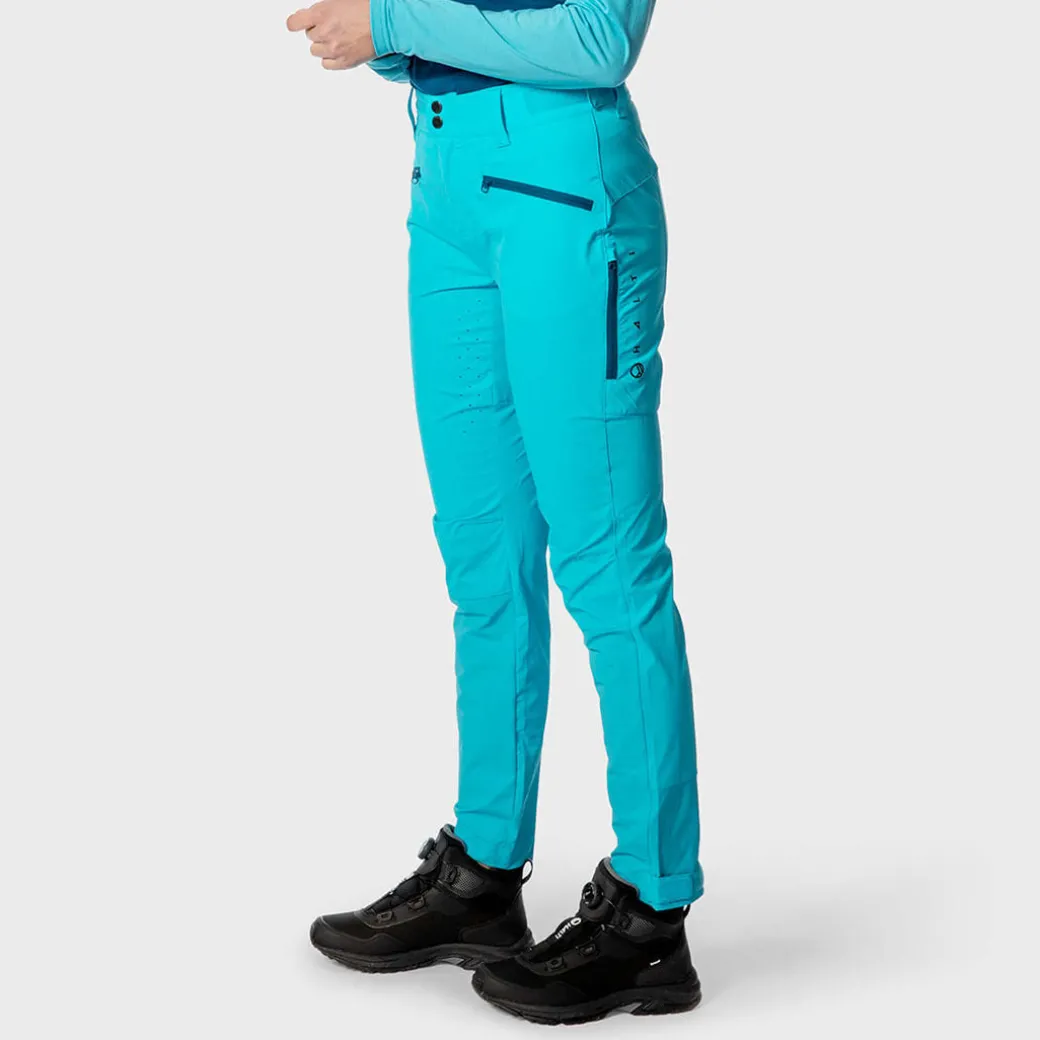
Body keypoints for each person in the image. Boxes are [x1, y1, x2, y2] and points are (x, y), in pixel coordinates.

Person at [287, 0, 703, 1023]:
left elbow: (598, 39)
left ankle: (652, 912)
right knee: (485, 557)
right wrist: (379, 35)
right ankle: (481, 869)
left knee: (608, 565)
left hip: (564, 190)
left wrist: (389, 17)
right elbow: (436, 38)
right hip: (447, 187)